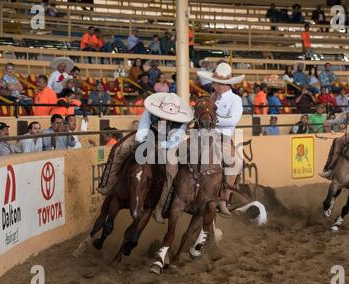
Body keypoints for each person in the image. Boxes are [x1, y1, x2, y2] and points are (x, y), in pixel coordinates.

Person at [97, 93, 193, 224]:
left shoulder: (182, 123)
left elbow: (174, 141)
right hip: (146, 136)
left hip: (167, 144)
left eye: (168, 117)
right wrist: (147, 142)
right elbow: (141, 132)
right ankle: (108, 184)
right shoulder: (149, 113)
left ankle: (159, 208)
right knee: (120, 149)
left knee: (172, 172)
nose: (164, 118)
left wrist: (159, 146)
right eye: (162, 115)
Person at [197, 62, 245, 217]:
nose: (212, 83)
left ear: (220, 84)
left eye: (214, 82)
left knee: (236, 161)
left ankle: (223, 199)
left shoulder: (235, 100)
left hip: (222, 138)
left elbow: (232, 121)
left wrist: (212, 119)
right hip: (202, 135)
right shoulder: (210, 98)